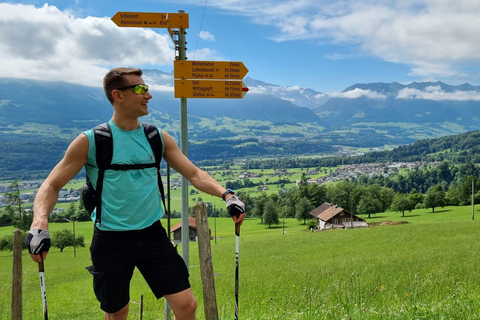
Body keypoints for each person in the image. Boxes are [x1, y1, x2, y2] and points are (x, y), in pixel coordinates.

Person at [26, 67, 246, 320]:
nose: (149, 95)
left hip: (152, 235)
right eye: (141, 89)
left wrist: (227, 195)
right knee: (117, 312)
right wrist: (40, 223)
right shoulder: (91, 141)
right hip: (110, 239)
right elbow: (51, 185)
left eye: (147, 88)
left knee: (187, 305)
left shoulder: (157, 137)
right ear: (118, 95)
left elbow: (195, 174)